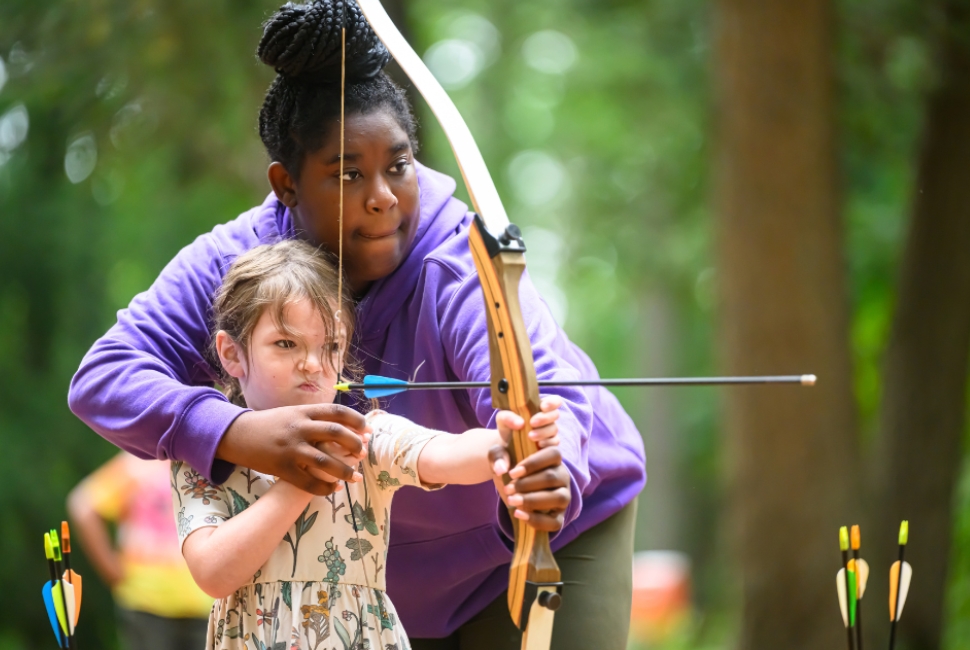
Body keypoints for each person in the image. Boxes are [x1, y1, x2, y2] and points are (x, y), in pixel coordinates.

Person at [68, 1, 646, 647]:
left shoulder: (457, 262)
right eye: (347, 174)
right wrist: (238, 433)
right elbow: (104, 378)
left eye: (398, 166)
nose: (383, 197)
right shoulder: (239, 263)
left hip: (548, 539)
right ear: (286, 185)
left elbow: (538, 394)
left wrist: (539, 464)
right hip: (368, 583)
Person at [175, 239, 564, 650]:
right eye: (286, 343)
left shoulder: (363, 438)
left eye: (331, 346)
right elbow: (213, 573)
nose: (313, 364)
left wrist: (505, 443)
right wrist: (305, 480)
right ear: (232, 354)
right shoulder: (208, 452)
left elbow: (443, 453)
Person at [67, 452, 213, 650]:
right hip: (146, 601)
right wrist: (111, 569)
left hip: (205, 603)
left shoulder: (208, 463)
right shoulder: (137, 463)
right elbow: (83, 507)